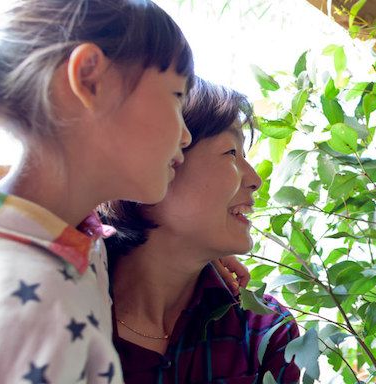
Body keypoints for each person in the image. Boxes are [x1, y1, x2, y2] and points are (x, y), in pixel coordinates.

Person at [0, 1, 194, 382]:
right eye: (178, 95)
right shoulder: (18, 311)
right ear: (89, 79)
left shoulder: (61, 244)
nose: (186, 134)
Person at [100, 77, 301, 383]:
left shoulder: (263, 330)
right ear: (156, 163)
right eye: (231, 153)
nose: (255, 179)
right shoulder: (63, 292)